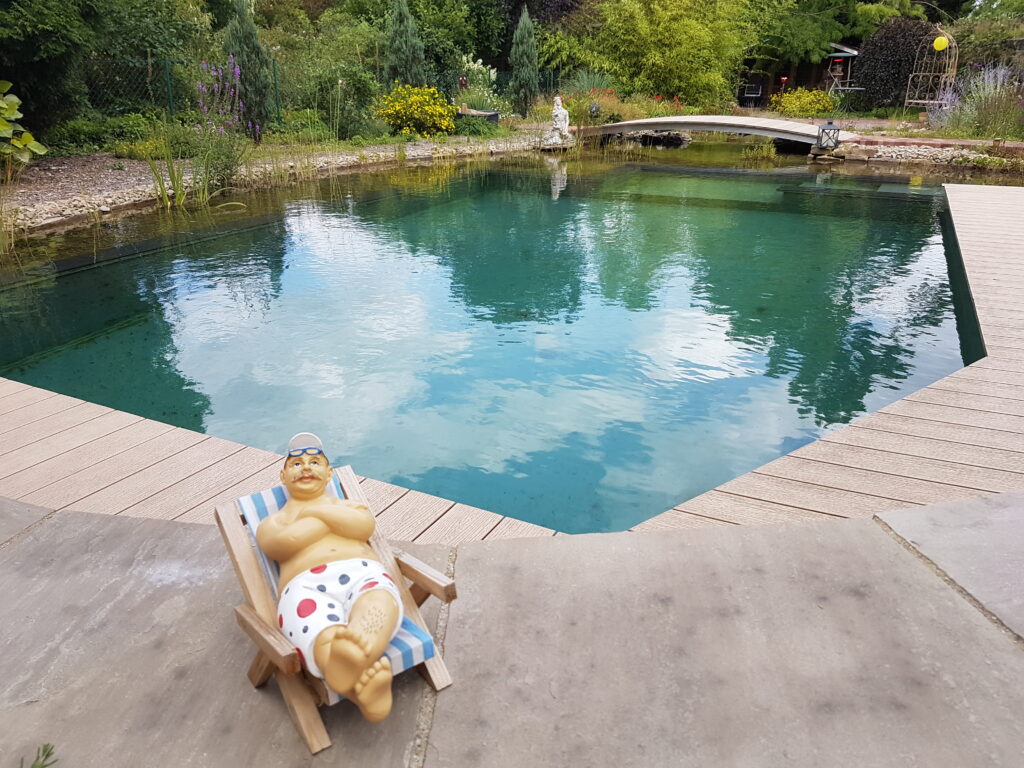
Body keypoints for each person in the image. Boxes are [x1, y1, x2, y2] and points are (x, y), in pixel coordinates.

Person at [256, 433, 403, 722]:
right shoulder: (273, 521)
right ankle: (355, 676)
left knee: (377, 602)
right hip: (304, 587)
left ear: (330, 474)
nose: (306, 467)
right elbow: (279, 543)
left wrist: (313, 511)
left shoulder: (349, 506)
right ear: (282, 476)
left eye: (314, 462)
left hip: (361, 572)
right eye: (296, 463)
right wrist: (324, 516)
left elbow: (363, 527)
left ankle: (351, 663)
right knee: (317, 629)